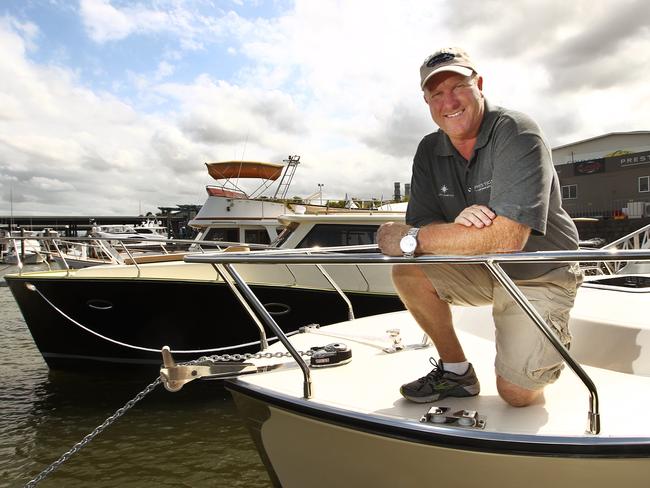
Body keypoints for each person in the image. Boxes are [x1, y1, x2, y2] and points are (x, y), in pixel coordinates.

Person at [377, 47, 582, 407]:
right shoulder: (428, 149)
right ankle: (455, 372)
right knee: (408, 270)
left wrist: (406, 238)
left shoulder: (517, 132)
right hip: (484, 267)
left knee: (516, 395)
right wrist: (451, 227)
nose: (449, 101)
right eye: (436, 93)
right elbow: (423, 222)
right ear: (426, 100)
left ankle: (547, 342)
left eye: (458, 86)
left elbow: (506, 239)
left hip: (539, 272)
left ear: (480, 85)